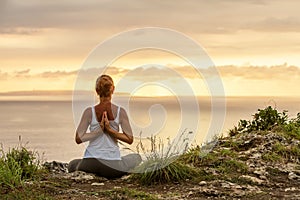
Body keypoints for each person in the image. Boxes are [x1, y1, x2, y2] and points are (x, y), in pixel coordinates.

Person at [68, 74, 142, 179]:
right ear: (113, 90)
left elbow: (78, 138)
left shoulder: (89, 112)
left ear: (97, 91)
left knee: (72, 163)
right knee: (136, 157)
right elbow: (129, 139)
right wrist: (110, 131)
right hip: (112, 166)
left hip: (90, 164)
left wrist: (99, 131)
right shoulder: (121, 112)